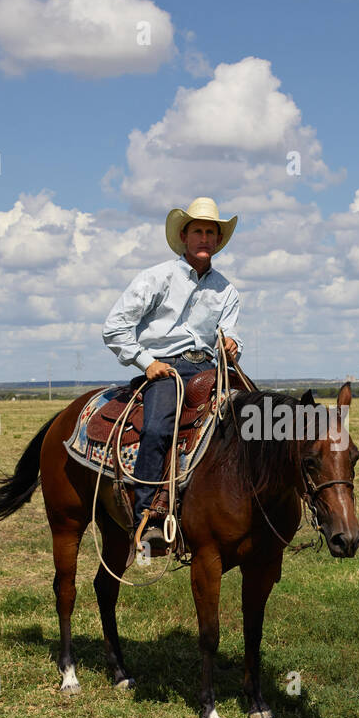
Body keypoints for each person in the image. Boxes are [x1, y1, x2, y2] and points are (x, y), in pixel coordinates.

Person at [102, 196, 243, 554]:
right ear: (184, 235)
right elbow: (115, 327)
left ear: (217, 240)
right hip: (164, 368)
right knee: (157, 427)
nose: (205, 238)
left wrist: (231, 346)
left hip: (210, 369)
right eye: (198, 230)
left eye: (211, 232)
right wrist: (145, 361)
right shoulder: (156, 278)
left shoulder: (226, 290)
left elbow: (229, 331)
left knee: (249, 424)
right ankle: (147, 515)